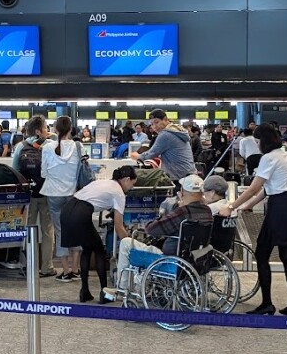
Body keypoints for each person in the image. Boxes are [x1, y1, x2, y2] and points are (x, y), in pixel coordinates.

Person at [220, 124, 287, 316]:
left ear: (264, 140)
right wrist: (248, 205)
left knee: (262, 254)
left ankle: (267, 303)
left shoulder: (268, 158)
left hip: (278, 208)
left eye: (257, 141)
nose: (257, 145)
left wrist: (231, 206)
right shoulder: (283, 155)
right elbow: (268, 189)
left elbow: (253, 188)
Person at [110, 175, 213, 296]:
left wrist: (170, 212)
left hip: (171, 260)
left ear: (184, 192)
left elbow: (152, 229)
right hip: (195, 259)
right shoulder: (207, 211)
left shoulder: (182, 212)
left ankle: (122, 288)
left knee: (126, 242)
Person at [61, 166, 137, 304]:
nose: (131, 188)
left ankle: (84, 292)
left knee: (87, 249)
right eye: (132, 184)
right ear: (126, 179)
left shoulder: (104, 182)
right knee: (99, 251)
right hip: (81, 214)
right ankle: (104, 293)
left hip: (67, 210)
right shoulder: (119, 193)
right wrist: (130, 245)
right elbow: (119, 227)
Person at [12, 116, 55, 278]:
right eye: (45, 127)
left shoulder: (20, 146)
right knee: (47, 231)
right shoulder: (51, 145)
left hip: (27, 195)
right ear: (38, 130)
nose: (47, 130)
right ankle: (47, 267)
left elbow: (15, 170)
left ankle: (28, 265)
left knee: (27, 229)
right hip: (46, 193)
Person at [41, 116, 82, 282]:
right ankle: (76, 269)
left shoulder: (47, 147)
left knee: (60, 232)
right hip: (73, 194)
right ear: (71, 129)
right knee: (75, 229)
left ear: (55, 129)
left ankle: (65, 272)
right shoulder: (78, 146)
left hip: (53, 193)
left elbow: (43, 173)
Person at [130, 109, 196, 180]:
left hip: (178, 177)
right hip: (190, 174)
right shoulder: (176, 130)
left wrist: (137, 156)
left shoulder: (165, 134)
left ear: (165, 119)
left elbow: (151, 154)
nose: (154, 126)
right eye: (152, 124)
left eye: (156, 122)